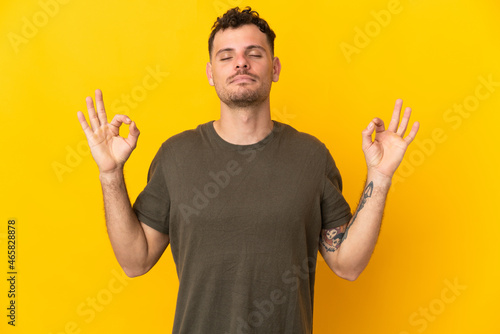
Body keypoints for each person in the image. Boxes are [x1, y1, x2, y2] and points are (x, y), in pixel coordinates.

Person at [77, 7, 419, 334]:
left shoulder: (311, 157)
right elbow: (134, 261)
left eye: (254, 53)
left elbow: (348, 265)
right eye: (226, 56)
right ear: (211, 73)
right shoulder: (176, 156)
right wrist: (110, 174)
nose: (240, 62)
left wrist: (380, 175)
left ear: (275, 68)